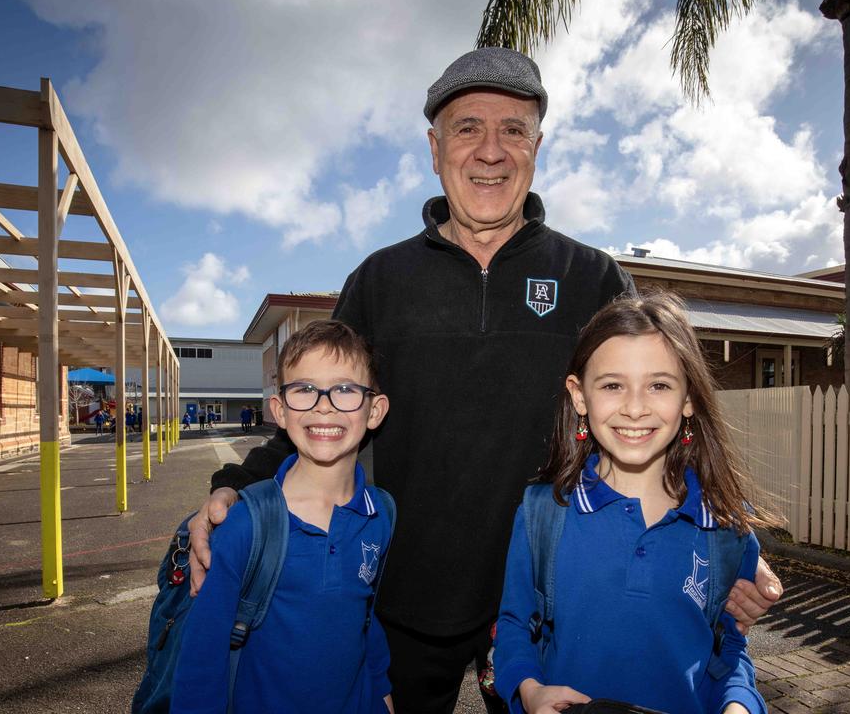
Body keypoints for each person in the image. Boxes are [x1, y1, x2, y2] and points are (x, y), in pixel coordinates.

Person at [186, 47, 783, 714]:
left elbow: (660, 414)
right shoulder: (381, 281)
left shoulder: (593, 278)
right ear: (435, 147)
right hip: (404, 596)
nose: (491, 151)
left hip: (550, 601)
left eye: (514, 129)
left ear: (538, 146)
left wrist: (733, 541)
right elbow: (324, 408)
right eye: (468, 128)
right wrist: (236, 488)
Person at [493, 292, 770, 714]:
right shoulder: (542, 513)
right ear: (579, 395)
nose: (636, 408)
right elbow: (515, 626)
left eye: (659, 385)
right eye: (612, 385)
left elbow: (728, 651)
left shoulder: (726, 525)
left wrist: (739, 705)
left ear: (689, 397)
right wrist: (529, 690)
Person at [171, 320, 395, 713]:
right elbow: (200, 663)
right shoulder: (247, 524)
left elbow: (366, 619)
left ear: (374, 411)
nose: (324, 404)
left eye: (344, 388)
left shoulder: (382, 513)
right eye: (305, 389)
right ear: (280, 411)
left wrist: (383, 694)